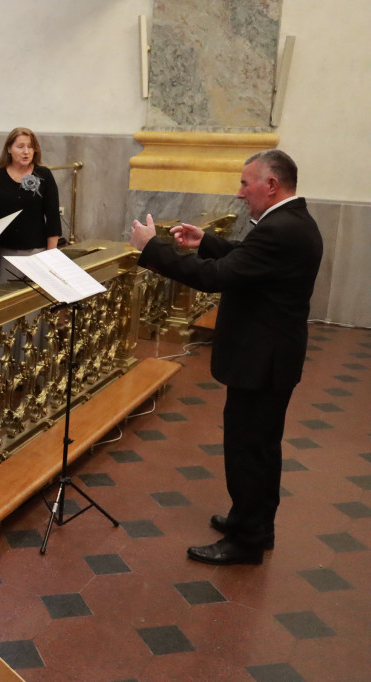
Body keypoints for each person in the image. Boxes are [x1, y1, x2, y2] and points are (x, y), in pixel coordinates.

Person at [129, 149, 323, 565]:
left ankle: (246, 541)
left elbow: (216, 278)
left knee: (248, 449)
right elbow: (246, 260)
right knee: (262, 448)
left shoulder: (279, 230)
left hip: (261, 359)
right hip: (272, 356)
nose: (239, 193)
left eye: (244, 182)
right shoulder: (292, 221)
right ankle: (254, 523)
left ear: (271, 185)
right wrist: (208, 242)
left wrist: (152, 250)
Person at [0, 127, 61, 288]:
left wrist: (50, 257)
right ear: (9, 149)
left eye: (30, 146)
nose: (26, 151)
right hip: (2, 252)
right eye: (20, 146)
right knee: (3, 303)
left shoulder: (43, 175)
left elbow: (53, 218)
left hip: (35, 251)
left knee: (32, 305)